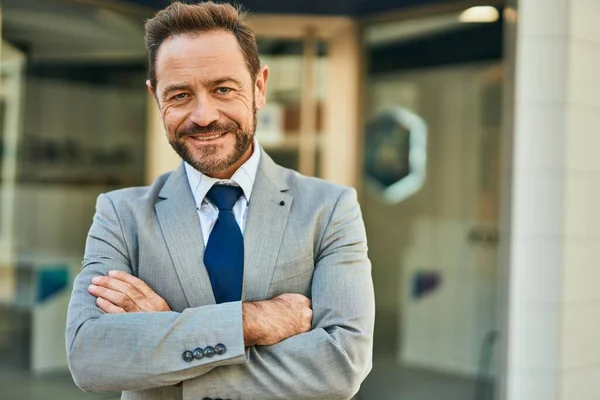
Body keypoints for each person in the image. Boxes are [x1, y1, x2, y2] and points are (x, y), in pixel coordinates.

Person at [65, 2, 375, 399]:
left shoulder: (330, 209)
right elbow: (90, 356)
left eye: (223, 89)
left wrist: (167, 336)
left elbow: (341, 365)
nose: (203, 115)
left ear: (259, 87)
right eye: (179, 95)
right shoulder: (119, 215)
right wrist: (250, 322)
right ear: (155, 97)